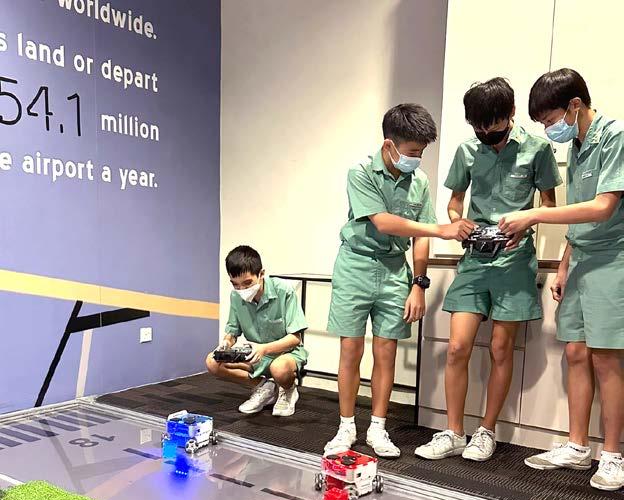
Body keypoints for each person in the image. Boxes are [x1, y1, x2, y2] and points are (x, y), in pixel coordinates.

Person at [415, 78, 561, 462]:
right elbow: (454, 204)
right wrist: (457, 221)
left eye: (492, 125)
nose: (485, 133)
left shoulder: (537, 149)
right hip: (474, 259)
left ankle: (486, 431)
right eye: (478, 126)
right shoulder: (467, 150)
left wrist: (526, 222)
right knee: (457, 347)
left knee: (500, 348)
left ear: (510, 114)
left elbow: (549, 205)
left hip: (514, 261)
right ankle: (453, 432)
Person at [324, 103, 474, 458]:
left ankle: (378, 427)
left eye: (421, 153)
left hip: (395, 270)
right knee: (350, 349)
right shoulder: (361, 172)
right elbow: (383, 222)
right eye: (412, 152)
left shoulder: (419, 182)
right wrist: (441, 229)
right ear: (389, 145)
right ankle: (346, 426)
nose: (416, 159)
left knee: (386, 350)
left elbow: (419, 237)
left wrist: (419, 283)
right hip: (356, 265)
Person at [498, 68, 624, 490]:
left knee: (607, 358)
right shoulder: (579, 146)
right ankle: (577, 446)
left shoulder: (615, 137)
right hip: (583, 258)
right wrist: (565, 263)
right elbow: (579, 215)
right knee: (575, 353)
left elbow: (603, 207)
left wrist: (535, 214)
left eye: (551, 120)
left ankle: (613, 455)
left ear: (575, 105)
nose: (549, 130)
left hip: (614, 259)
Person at [206, 245, 308, 417]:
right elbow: (233, 332)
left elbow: (295, 338)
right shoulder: (236, 296)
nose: (242, 290)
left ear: (261, 274)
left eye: (247, 283)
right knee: (212, 361)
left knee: (279, 368)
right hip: (254, 355)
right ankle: (264, 387)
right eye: (235, 284)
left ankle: (288, 390)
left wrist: (265, 349)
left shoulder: (284, 290)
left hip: (286, 354)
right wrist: (226, 343)